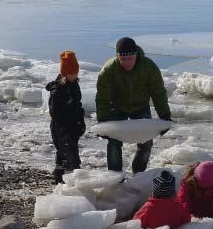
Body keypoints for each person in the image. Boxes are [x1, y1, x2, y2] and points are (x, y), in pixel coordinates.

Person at [96, 37, 171, 173]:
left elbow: (158, 93)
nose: (126, 62)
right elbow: (102, 98)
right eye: (123, 59)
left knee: (146, 142)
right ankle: (115, 176)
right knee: (113, 142)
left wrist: (164, 115)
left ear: (135, 54)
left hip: (140, 106)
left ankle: (138, 174)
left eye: (130, 58)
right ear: (117, 56)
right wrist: (103, 121)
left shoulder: (148, 67)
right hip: (117, 107)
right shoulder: (109, 70)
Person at [45, 51, 86, 184]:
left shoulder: (74, 85)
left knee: (66, 152)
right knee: (69, 155)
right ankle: (68, 179)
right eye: (72, 73)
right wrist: (69, 123)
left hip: (72, 126)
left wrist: (80, 121)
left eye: (76, 73)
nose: (75, 76)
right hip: (60, 127)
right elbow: (55, 113)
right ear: (65, 73)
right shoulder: (58, 91)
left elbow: (78, 104)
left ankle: (60, 176)